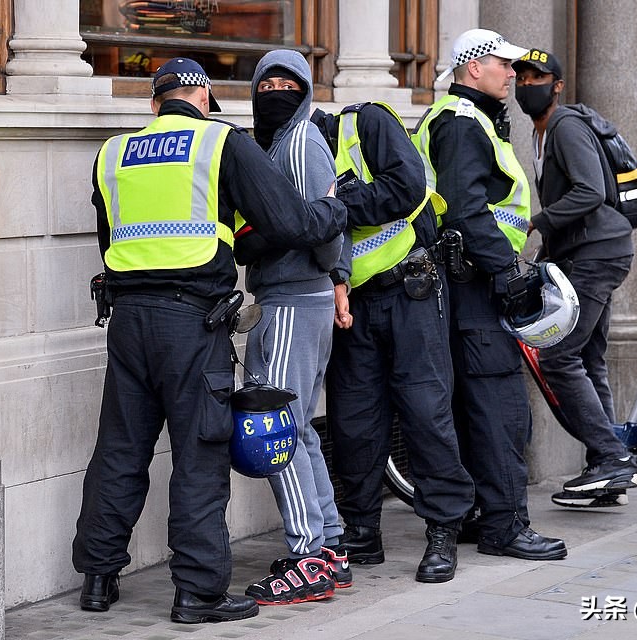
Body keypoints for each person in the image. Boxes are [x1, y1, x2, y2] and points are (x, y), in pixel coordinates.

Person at [71, 57, 347, 624]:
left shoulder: (113, 154)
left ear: (155, 103)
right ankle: (198, 592)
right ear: (203, 99)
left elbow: (109, 240)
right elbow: (290, 223)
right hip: (193, 324)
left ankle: (98, 579)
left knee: (120, 449)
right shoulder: (220, 143)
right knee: (199, 453)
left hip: (128, 321)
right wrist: (337, 207)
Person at [411, 28, 567, 561]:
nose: (513, 75)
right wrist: (507, 270)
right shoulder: (461, 122)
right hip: (474, 284)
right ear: (474, 67)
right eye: (505, 64)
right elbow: (465, 209)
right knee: (498, 406)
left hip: (460, 283)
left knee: (472, 405)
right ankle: (505, 526)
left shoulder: (457, 117)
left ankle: (480, 514)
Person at [312, 98, 476, 583]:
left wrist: (335, 206)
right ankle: (363, 530)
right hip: (352, 305)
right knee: (354, 422)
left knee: (427, 413)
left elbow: (405, 187)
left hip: (411, 290)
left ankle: (443, 529)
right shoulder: (289, 154)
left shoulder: (365, 122)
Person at [236, 49, 351, 605]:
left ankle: (308, 557)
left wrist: (325, 270)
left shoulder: (300, 140)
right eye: (267, 84)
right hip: (296, 298)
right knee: (298, 427)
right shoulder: (276, 143)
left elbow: (325, 226)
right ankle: (330, 545)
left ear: (305, 92)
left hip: (292, 298)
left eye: (288, 85)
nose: (275, 93)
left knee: (273, 428)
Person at [512, 48, 637, 508]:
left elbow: (591, 191)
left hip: (596, 254)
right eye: (521, 78)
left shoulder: (565, 126)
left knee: (559, 358)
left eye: (538, 78)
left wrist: (537, 223)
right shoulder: (542, 132)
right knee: (588, 358)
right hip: (593, 252)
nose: (528, 85)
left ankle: (612, 457)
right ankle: (607, 469)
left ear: (558, 85)